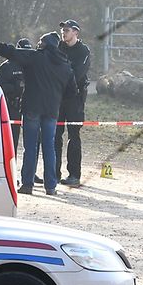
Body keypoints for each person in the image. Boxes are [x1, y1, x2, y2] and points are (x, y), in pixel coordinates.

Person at [0, 29, 74, 196]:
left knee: (30, 147)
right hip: (52, 111)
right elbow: (72, 92)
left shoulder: (34, 57)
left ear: (46, 45)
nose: (38, 44)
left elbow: (7, 50)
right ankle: (51, 187)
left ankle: (27, 184)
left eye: (41, 41)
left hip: (32, 108)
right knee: (49, 148)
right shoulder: (65, 65)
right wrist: (57, 99)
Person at [55, 19, 92, 187]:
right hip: (58, 97)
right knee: (55, 135)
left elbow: (76, 75)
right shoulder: (58, 47)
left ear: (76, 32)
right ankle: (53, 173)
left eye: (67, 30)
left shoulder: (83, 51)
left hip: (75, 98)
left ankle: (74, 175)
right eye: (63, 29)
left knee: (73, 135)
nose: (64, 32)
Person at [0, 39, 29, 152]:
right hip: (12, 106)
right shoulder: (7, 66)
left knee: (30, 143)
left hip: (29, 106)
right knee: (11, 140)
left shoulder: (33, 65)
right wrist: (14, 87)